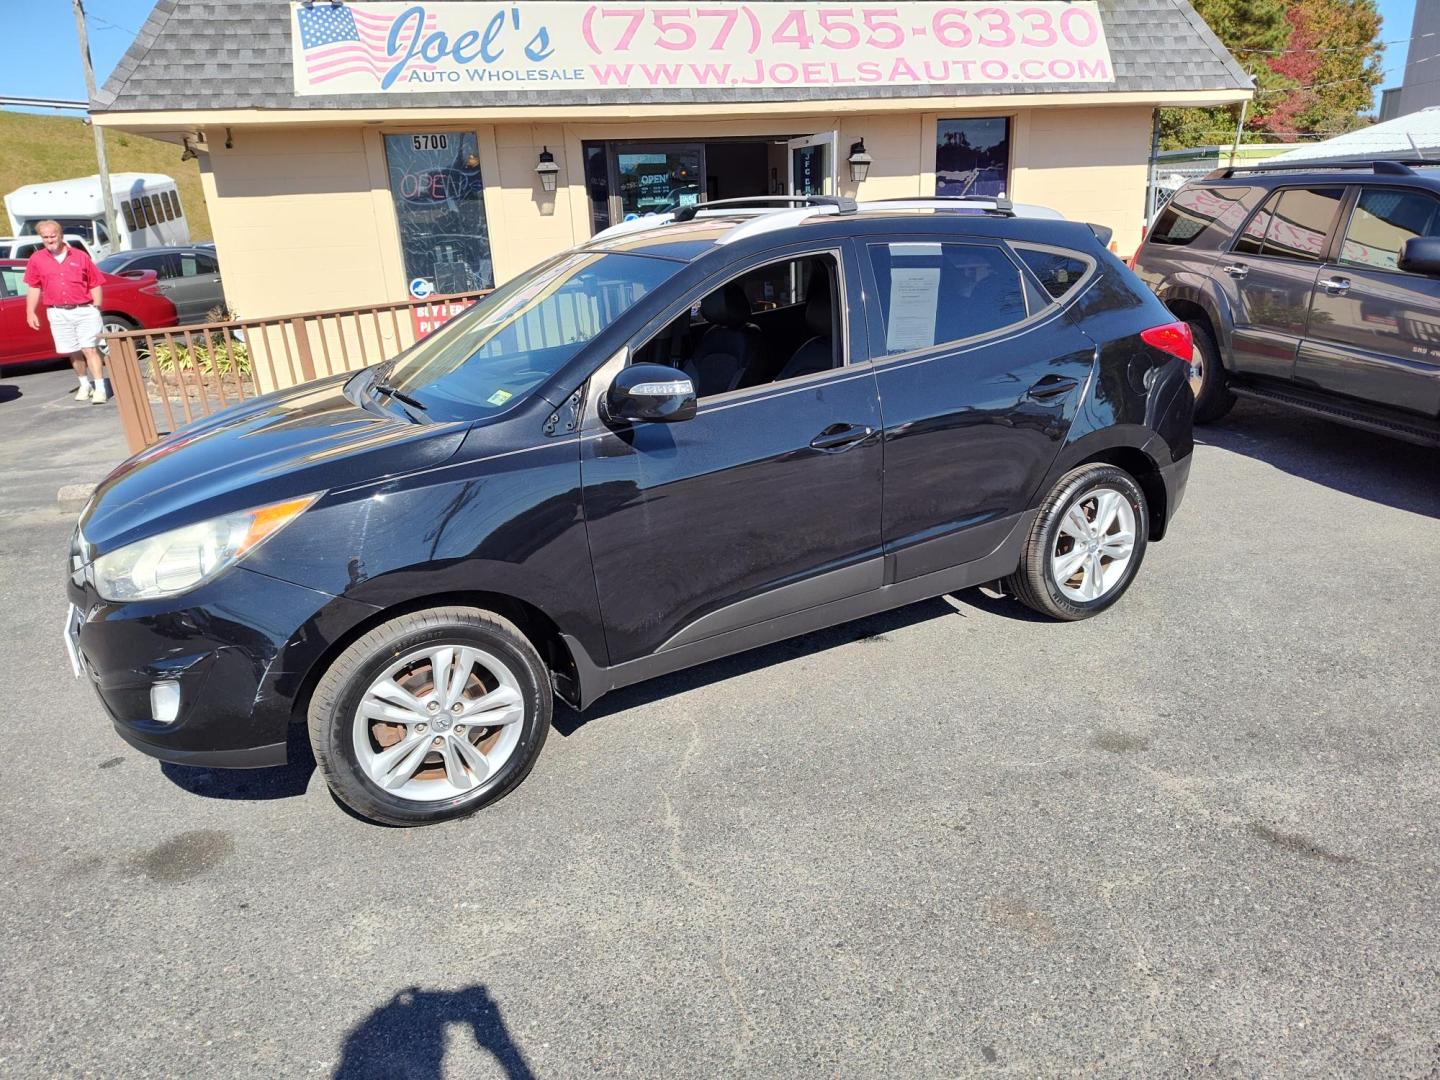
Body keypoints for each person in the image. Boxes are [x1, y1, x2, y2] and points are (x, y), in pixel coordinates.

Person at [23, 220, 109, 403]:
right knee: (73, 351)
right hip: (58, 312)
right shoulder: (36, 259)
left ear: (61, 235)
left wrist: (97, 306)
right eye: (45, 237)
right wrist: (30, 312)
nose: (49, 240)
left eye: (52, 235)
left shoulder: (80, 256)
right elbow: (34, 287)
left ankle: (100, 388)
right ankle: (84, 384)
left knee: (89, 348)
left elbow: (95, 282)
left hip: (84, 309)